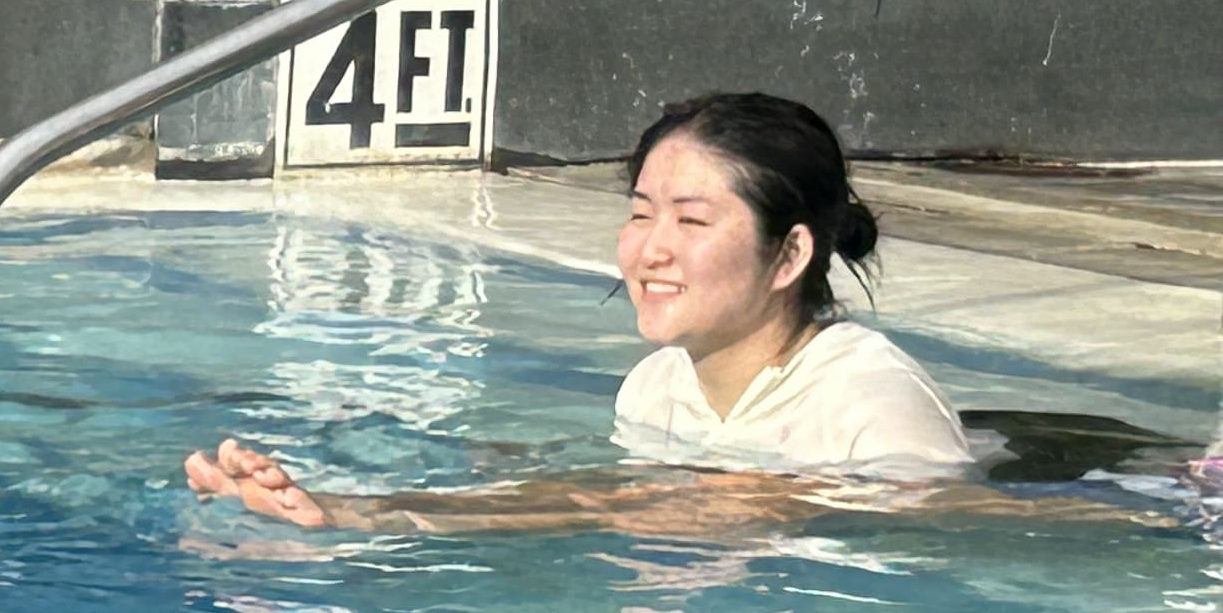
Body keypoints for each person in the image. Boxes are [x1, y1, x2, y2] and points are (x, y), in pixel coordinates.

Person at [187, 93, 982, 530]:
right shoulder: (655, 386)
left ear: (791, 254)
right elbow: (602, 499)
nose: (650, 249)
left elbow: (963, 536)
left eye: (692, 221)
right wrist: (345, 504)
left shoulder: (871, 408)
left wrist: (789, 499)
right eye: (640, 214)